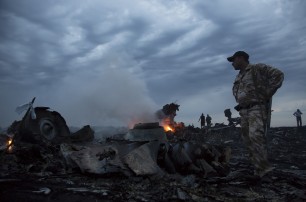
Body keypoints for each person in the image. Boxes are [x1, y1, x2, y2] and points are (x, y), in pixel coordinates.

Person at [227, 51, 284, 178]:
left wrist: (266, 94)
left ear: (241, 58)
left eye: (233, 60)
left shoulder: (256, 68)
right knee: (247, 139)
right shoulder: (239, 76)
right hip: (244, 111)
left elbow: (278, 75)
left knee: (256, 136)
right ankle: (257, 167)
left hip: (256, 108)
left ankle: (264, 169)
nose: (232, 64)